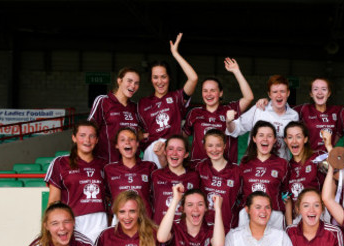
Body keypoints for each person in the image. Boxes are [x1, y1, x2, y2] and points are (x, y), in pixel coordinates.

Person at [137, 33, 198, 168]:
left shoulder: (176, 97)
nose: (160, 81)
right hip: (151, 151)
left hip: (173, 149)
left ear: (169, 78)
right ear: (151, 79)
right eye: (155, 77)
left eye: (163, 77)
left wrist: (175, 54)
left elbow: (193, 78)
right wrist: (142, 136)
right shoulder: (143, 103)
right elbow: (136, 129)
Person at [45, 121, 108, 242]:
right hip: (72, 220)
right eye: (82, 135)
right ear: (74, 138)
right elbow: (53, 201)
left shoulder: (104, 165)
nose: (87, 140)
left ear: (97, 140)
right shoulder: (60, 163)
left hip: (100, 220)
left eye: (92, 136)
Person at [184, 58, 254, 165]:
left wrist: (236, 72)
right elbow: (183, 136)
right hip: (198, 168)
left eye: (213, 90)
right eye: (205, 91)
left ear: (220, 93)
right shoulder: (194, 113)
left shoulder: (229, 110)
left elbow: (248, 97)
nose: (209, 94)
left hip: (225, 169)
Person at [257, 78, 342, 156]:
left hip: (328, 157)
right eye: (315, 89)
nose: (319, 92)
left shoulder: (338, 111)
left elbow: (342, 130)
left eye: (324, 89)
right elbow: (281, 108)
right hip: (307, 158)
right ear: (311, 94)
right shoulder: (303, 109)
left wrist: (329, 146)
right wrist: (268, 102)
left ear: (329, 93)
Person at [227, 75, 299, 160]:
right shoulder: (259, 109)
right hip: (254, 165)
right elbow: (236, 129)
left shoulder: (294, 116)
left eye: (282, 91)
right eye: (275, 92)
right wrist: (229, 122)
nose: (279, 95)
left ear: (288, 93)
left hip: (279, 167)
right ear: (269, 94)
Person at [234, 121, 289, 230]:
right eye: (261, 135)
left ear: (274, 140)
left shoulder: (282, 164)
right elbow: (238, 191)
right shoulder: (245, 162)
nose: (265, 139)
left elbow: (288, 194)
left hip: (274, 215)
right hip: (248, 214)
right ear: (254, 139)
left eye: (269, 136)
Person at [89, 67, 140, 163]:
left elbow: (140, 134)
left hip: (130, 167)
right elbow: (89, 130)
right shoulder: (103, 101)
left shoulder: (135, 107)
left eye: (136, 83)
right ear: (119, 81)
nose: (133, 86)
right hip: (106, 164)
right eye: (129, 81)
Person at [195, 129, 242, 232]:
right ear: (204, 147)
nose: (214, 149)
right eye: (210, 145)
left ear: (225, 146)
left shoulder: (236, 171)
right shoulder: (199, 168)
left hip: (228, 227)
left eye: (218, 145)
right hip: (202, 228)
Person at [105, 127, 157, 219]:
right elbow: (107, 196)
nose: (127, 142)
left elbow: (156, 196)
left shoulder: (150, 167)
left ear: (137, 144)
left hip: (145, 220)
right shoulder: (109, 169)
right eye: (122, 140)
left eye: (131, 139)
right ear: (117, 145)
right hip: (121, 221)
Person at [151, 135, 200, 225]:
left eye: (179, 149)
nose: (174, 153)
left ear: (186, 154)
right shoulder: (156, 175)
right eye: (170, 149)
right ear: (165, 152)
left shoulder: (194, 177)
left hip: (184, 233)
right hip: (159, 230)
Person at [283, 121, 324, 225]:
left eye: (298, 136)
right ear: (285, 140)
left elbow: (336, 172)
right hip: (297, 220)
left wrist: (328, 145)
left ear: (305, 139)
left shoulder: (317, 158)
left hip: (318, 216)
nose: (294, 141)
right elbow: (287, 200)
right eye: (290, 137)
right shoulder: (285, 167)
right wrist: (290, 227)